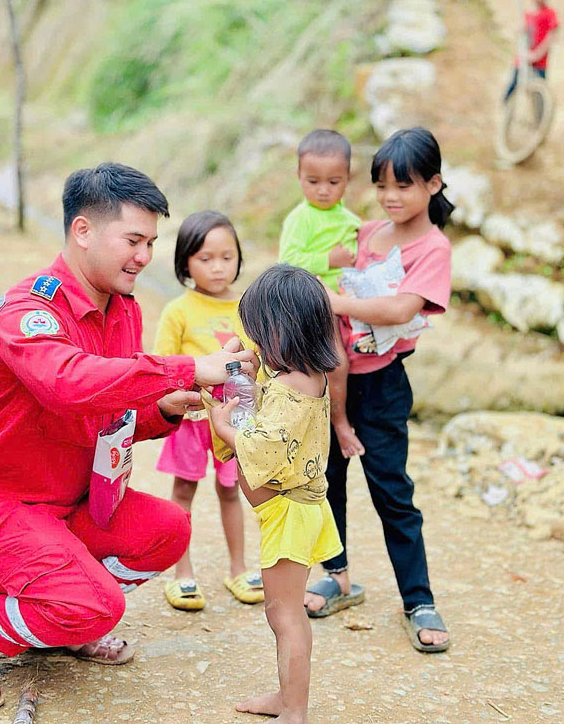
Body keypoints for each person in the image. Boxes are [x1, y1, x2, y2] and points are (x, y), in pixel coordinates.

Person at [0, 163, 257, 713]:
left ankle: (64, 615)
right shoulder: (27, 310)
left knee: (168, 531)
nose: (145, 256)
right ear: (82, 231)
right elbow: (68, 384)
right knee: (94, 602)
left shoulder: (123, 309)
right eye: (133, 240)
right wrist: (188, 368)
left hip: (68, 509)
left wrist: (165, 410)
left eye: (150, 242)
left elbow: (110, 412)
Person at [306, 127, 453, 653]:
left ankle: (419, 600)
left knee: (392, 492)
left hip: (384, 385)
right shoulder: (370, 234)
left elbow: (398, 309)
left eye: (404, 186)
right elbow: (326, 257)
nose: (392, 197)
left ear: (433, 185)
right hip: (333, 376)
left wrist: (334, 302)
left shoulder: (433, 248)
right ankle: (339, 576)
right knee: (328, 481)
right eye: (382, 185)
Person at [207, 264, 343, 724]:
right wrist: (236, 366)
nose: (258, 348)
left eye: (261, 337)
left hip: (289, 515)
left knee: (285, 616)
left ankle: (295, 711)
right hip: (296, 509)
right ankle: (285, 697)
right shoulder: (307, 376)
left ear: (285, 330)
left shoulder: (289, 388)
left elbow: (260, 447)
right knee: (279, 612)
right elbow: (260, 401)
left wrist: (222, 424)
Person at [154, 210, 264, 611]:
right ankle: (183, 574)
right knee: (183, 490)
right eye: (205, 258)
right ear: (185, 262)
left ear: (238, 258)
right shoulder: (178, 311)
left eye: (226, 257)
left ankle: (239, 568)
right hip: (191, 420)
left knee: (232, 489)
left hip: (235, 418)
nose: (217, 267)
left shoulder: (249, 309)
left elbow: (258, 360)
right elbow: (163, 365)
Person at [277, 129, 365, 460]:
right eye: (313, 181)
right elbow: (286, 261)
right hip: (314, 302)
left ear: (347, 178)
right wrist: (328, 260)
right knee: (335, 364)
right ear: (299, 176)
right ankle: (340, 425)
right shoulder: (300, 219)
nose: (324, 190)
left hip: (347, 303)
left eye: (334, 182)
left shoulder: (350, 220)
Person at [504, 0, 558, 100]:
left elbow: (551, 37)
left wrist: (536, 55)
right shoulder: (525, 14)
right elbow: (518, 37)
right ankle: (509, 117)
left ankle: (538, 120)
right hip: (522, 62)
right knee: (512, 92)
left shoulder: (550, 14)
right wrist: (519, 31)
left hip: (539, 64)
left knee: (538, 97)